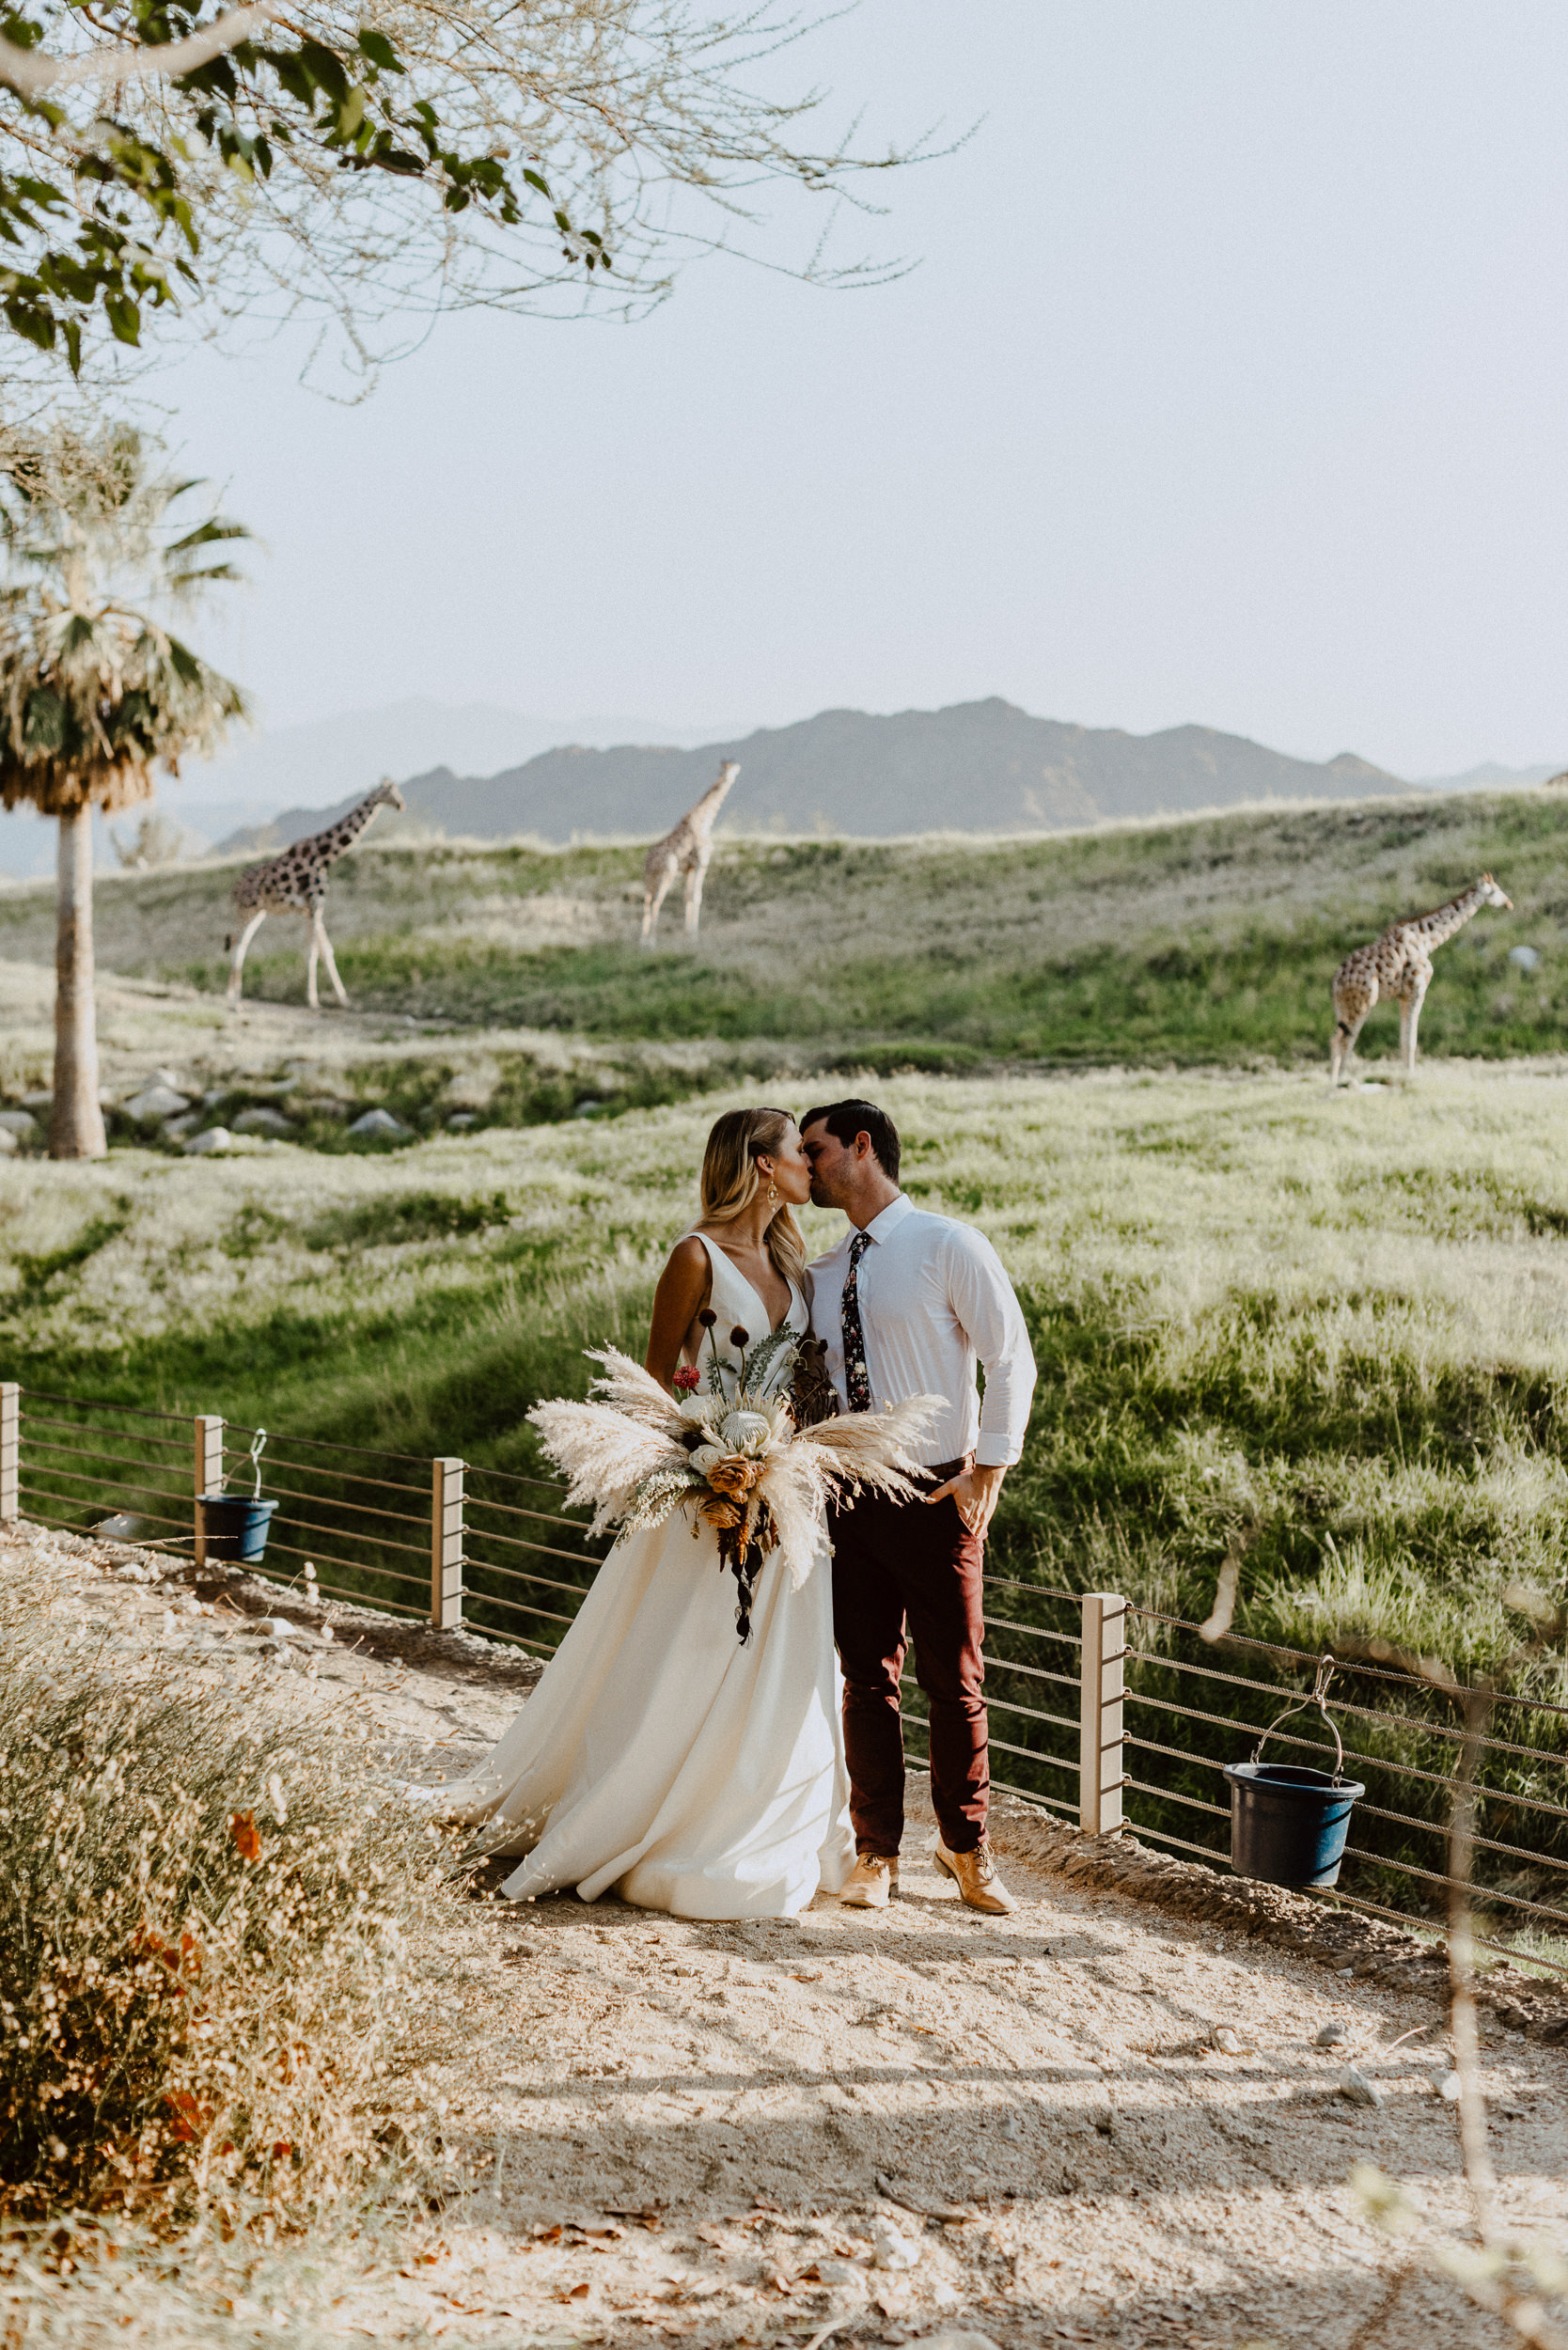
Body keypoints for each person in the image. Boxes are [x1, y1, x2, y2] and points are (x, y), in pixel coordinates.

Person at [427, 1107, 854, 1918]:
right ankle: (650, 1807)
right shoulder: (694, 1256)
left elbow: (800, 1380)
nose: (810, 1164)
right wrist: (708, 1465)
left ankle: (750, 1809)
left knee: (782, 1660)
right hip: (709, 1490)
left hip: (787, 1492)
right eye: (798, 1151)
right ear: (762, 1165)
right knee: (690, 1649)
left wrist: (779, 1458)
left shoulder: (795, 1267)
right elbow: (659, 1381)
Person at [802, 1098, 1036, 1918]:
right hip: (849, 1495)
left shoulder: (948, 1245)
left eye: (816, 1148)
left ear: (862, 1147)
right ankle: (877, 1853)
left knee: (956, 1679)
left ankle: (965, 1847)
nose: (805, 1165)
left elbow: (1011, 1357)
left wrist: (990, 1471)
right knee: (866, 1680)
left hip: (939, 1490)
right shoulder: (821, 1275)